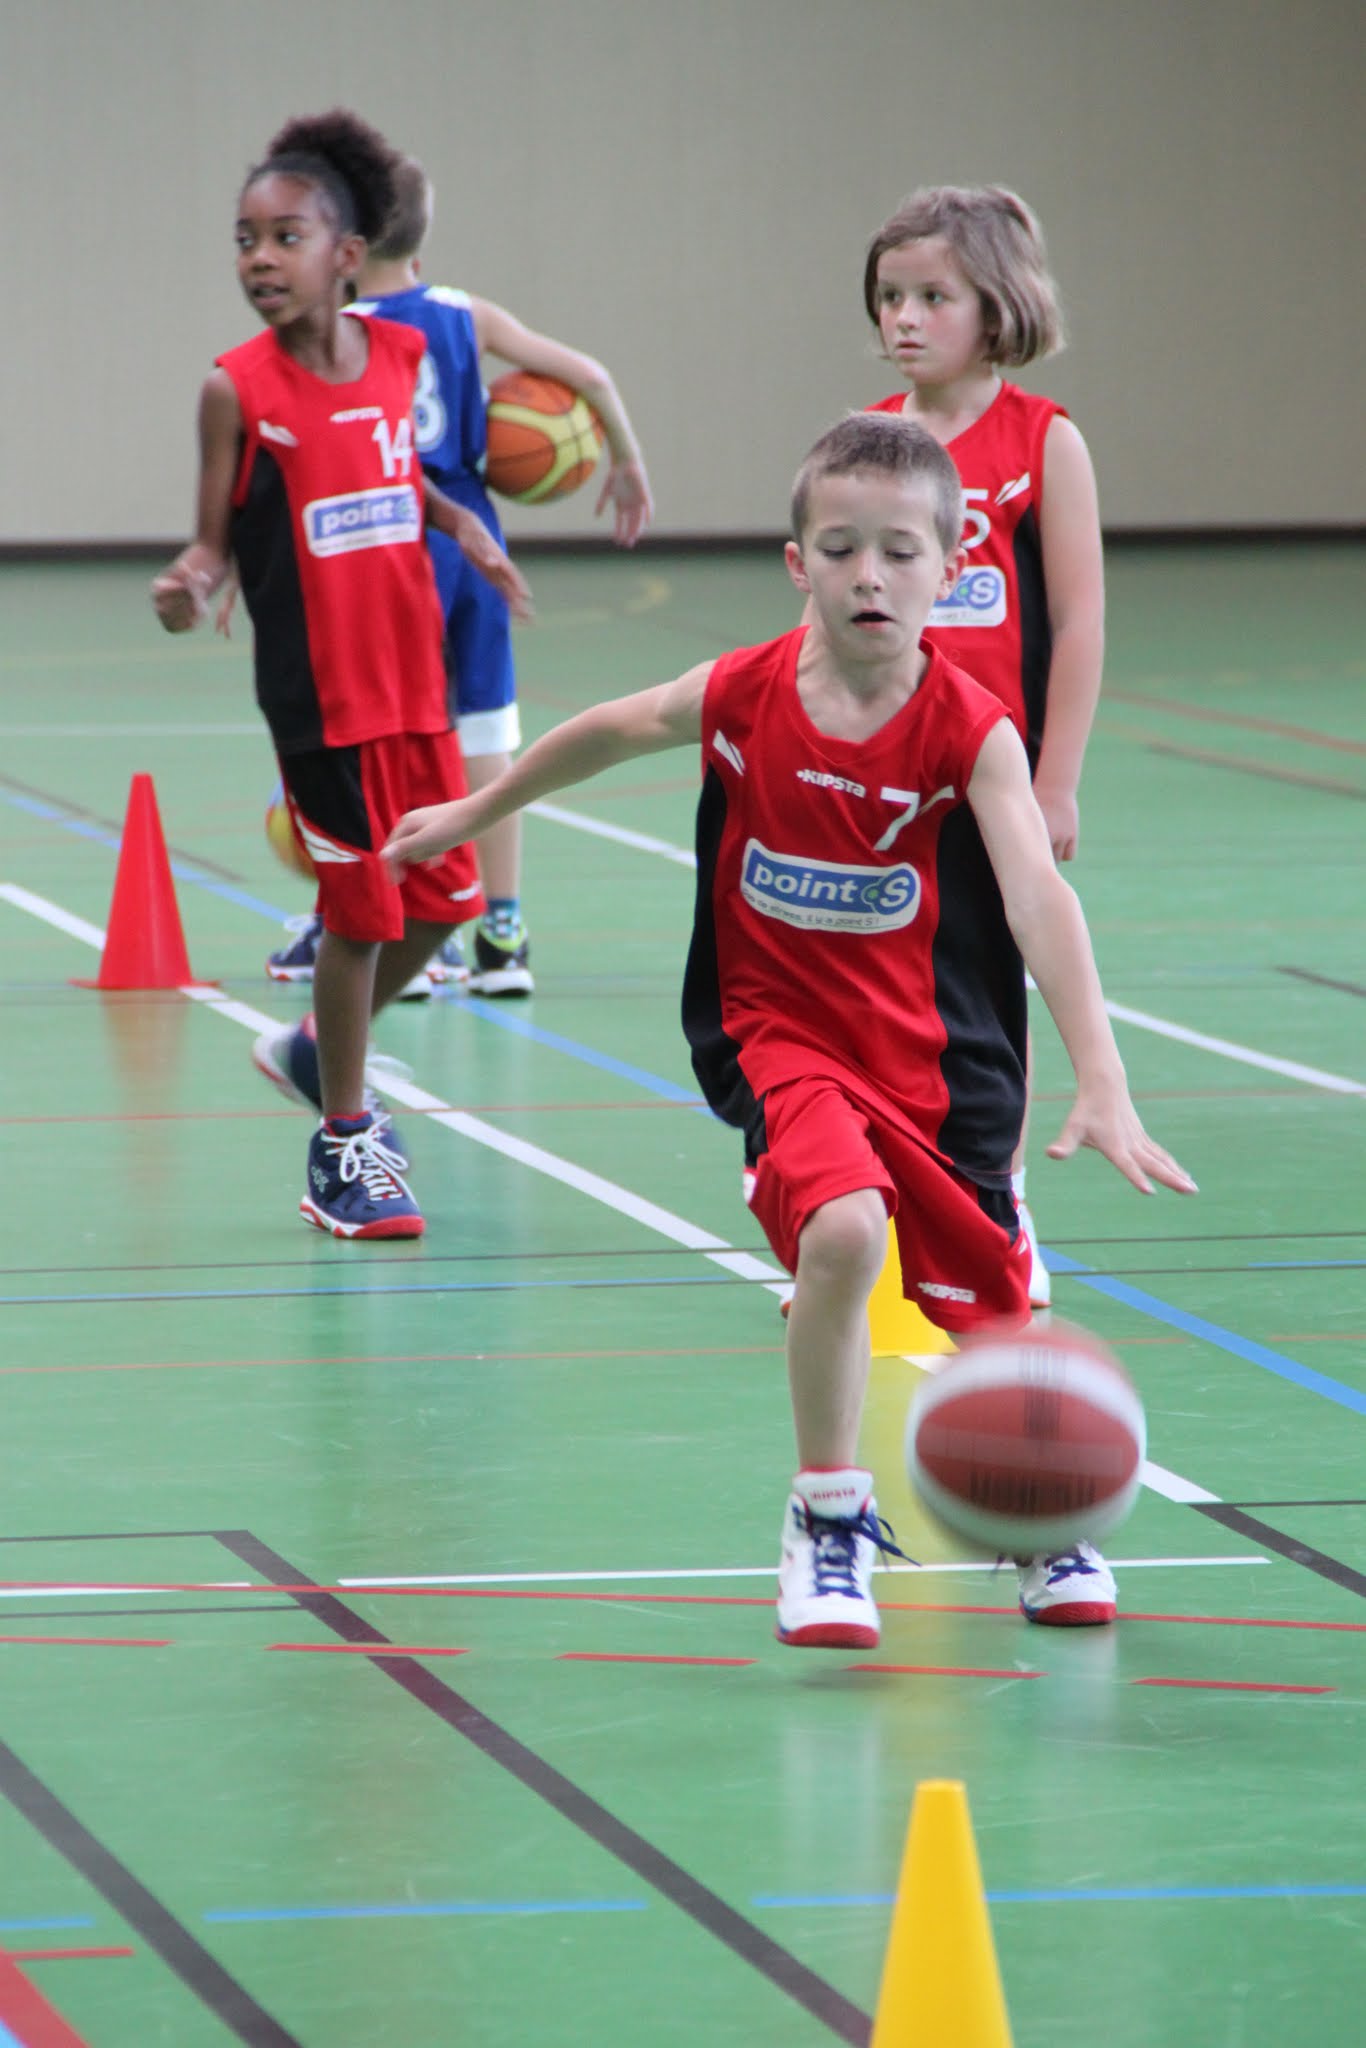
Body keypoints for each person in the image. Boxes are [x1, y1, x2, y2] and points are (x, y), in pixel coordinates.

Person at [383, 413, 1195, 1644]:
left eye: (901, 553)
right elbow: (608, 727)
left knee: (993, 1313)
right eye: (841, 548)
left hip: (935, 1056)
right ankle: (826, 1516)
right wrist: (474, 810)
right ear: (796, 563)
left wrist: (1102, 1075)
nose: (870, 575)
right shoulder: (744, 694)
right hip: (779, 1033)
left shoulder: (971, 727)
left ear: (950, 567)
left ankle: (1041, 1511)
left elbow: (1038, 895)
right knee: (843, 1231)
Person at [152, 109, 531, 1240]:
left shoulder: (399, 357)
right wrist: (188, 583)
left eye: (286, 237)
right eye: (245, 240)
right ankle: (342, 1143)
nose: (260, 259)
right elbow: (212, 540)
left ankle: (318, 1050)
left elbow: (392, 471)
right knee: (359, 916)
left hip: (416, 682)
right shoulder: (236, 389)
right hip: (322, 703)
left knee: (448, 899)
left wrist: (460, 525)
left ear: (348, 255)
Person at [265, 152, 654, 999]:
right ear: (422, 234)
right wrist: (625, 460)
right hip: (476, 540)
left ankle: (388, 928)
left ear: (346, 237)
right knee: (486, 737)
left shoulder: (341, 327)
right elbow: (590, 374)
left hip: (387, 537)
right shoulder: (462, 313)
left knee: (378, 737)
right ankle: (502, 934)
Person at [861, 185, 1104, 1312]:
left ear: (997, 307)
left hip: (993, 776)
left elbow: (1080, 620)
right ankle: (870, 1213)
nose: (905, 318)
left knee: (986, 994)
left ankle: (998, 1200)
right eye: (890, 297)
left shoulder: (1043, 441)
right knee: (874, 988)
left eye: (932, 297)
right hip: (882, 774)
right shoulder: (870, 442)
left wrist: (1057, 779)